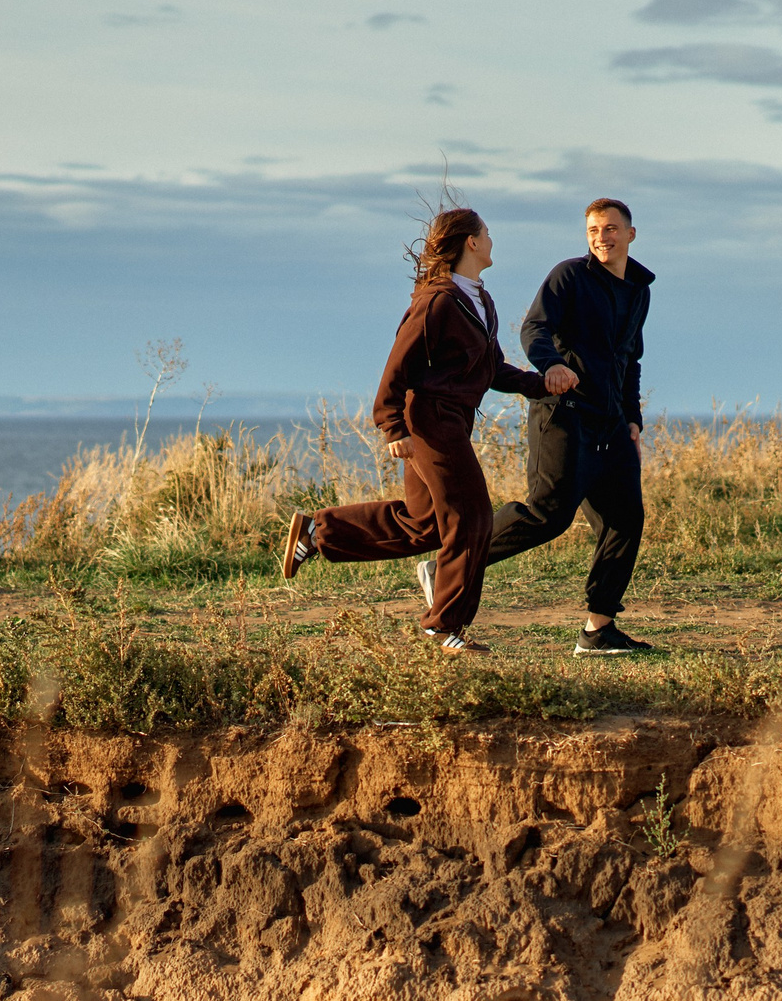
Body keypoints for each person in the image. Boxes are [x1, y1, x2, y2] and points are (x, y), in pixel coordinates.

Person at [281, 207, 565, 655]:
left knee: (425, 523)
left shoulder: (479, 300)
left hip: (453, 421)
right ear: (471, 242)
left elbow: (491, 368)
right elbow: (398, 364)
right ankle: (442, 626)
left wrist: (543, 384)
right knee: (471, 519)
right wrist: (391, 424)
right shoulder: (436, 301)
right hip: (430, 422)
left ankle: (319, 531)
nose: (492, 239)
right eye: (487, 233)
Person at [417, 197, 655, 656]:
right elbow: (534, 329)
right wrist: (551, 367)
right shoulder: (570, 276)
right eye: (593, 231)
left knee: (625, 519)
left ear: (630, 234)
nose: (601, 238)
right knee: (549, 514)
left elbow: (631, 359)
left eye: (609, 229)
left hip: (612, 424)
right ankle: (446, 567)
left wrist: (632, 420)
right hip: (563, 415)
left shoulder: (639, 290)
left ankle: (597, 630)